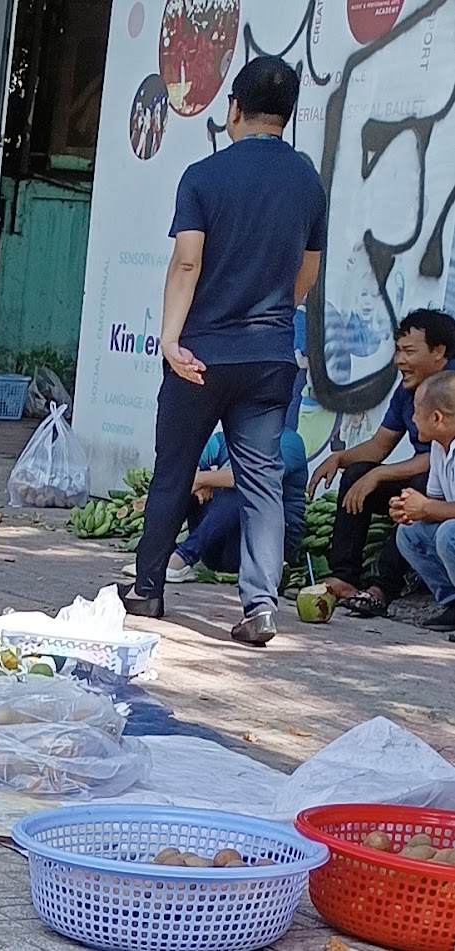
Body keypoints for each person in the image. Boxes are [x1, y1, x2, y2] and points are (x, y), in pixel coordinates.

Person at [123, 56, 327, 646]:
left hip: (200, 357)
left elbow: (187, 260)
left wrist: (170, 337)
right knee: (261, 481)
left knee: (174, 471)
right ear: (287, 116)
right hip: (269, 356)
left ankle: (148, 588)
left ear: (232, 108)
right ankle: (260, 606)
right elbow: (305, 275)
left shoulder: (203, 177)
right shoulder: (307, 183)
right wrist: (266, 318)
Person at [309, 308, 455, 616]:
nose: (399, 360)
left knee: (413, 488)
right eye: (398, 351)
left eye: (409, 351)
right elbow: (380, 444)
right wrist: (341, 459)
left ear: (439, 352)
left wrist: (384, 475)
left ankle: (382, 588)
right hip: (436, 482)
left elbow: (440, 453)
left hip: (434, 484)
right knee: (358, 475)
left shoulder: (449, 390)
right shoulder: (408, 388)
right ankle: (344, 576)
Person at [122, 426, 306, 581]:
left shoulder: (289, 442)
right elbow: (185, 466)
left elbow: (253, 477)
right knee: (181, 484)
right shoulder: (223, 438)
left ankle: (181, 559)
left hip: (266, 548)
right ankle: (156, 557)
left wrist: (202, 478)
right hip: (219, 545)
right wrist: (199, 480)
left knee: (244, 492)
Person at [392, 370, 455, 637]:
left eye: (417, 412)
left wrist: (426, 508)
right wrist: (411, 509)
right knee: (410, 533)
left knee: (448, 534)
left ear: (436, 418)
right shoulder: (440, 449)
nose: (413, 419)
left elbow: (438, 511)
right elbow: (437, 503)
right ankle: (452, 604)